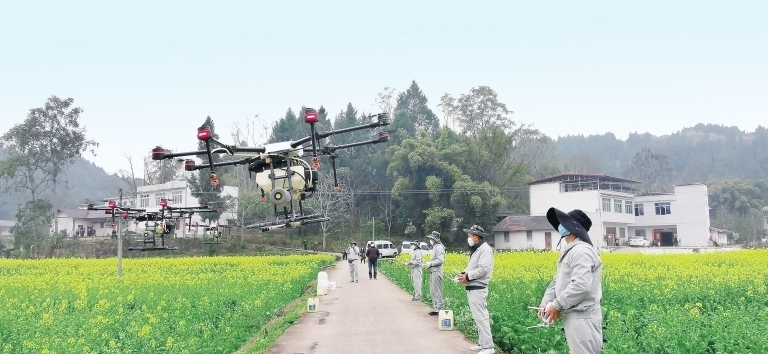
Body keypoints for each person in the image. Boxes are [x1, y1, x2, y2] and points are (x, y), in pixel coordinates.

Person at [539, 208, 603, 354]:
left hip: (583, 317)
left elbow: (581, 286)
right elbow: (559, 279)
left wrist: (556, 305)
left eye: (564, 223)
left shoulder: (581, 251)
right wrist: (547, 300)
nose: (561, 226)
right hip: (575, 316)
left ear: (574, 227)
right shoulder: (572, 250)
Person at [458, 225, 495, 354]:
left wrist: (468, 276)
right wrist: (463, 274)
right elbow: (473, 267)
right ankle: (482, 343)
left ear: (476, 237)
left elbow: (484, 269)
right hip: (473, 287)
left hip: (478, 287)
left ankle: (489, 347)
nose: (468, 238)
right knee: (477, 316)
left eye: (470, 235)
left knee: (481, 316)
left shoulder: (485, 250)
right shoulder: (477, 249)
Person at [422, 231, 445, 316]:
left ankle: (440, 309)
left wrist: (431, 264)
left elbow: (440, 260)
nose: (430, 240)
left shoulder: (440, 247)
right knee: (432, 290)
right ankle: (435, 308)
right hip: (433, 271)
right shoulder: (435, 247)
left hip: (437, 271)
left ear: (435, 239)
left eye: (431, 238)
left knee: (437, 291)